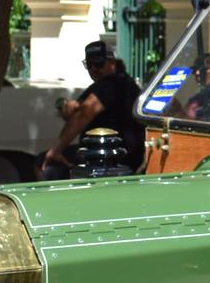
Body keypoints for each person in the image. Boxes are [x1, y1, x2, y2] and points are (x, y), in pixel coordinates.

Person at [40, 40, 144, 179]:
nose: (94, 69)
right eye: (89, 65)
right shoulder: (117, 83)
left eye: (99, 63)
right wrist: (69, 106)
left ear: (112, 62)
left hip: (107, 157)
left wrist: (56, 150)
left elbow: (82, 115)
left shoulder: (111, 84)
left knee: (47, 165)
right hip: (109, 154)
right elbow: (77, 111)